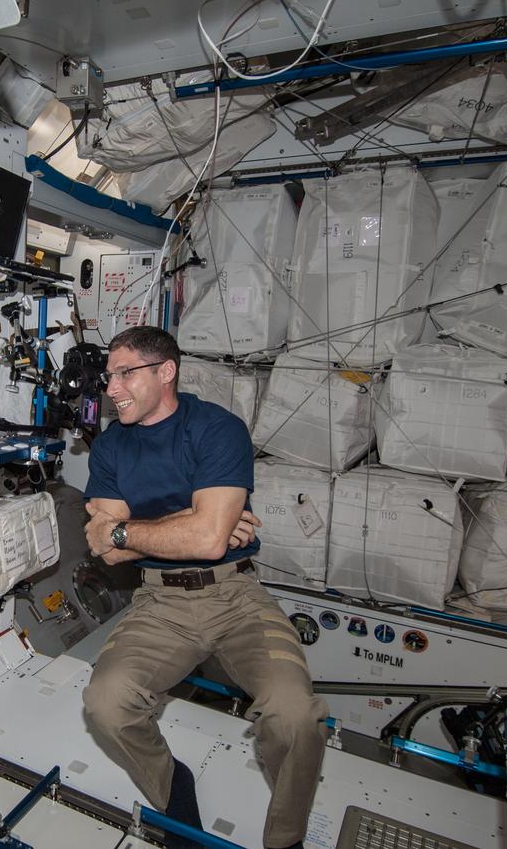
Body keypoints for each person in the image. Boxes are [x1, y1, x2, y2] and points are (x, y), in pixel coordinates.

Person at [81, 326, 327, 849]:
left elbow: (211, 543)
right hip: (159, 601)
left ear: (165, 371)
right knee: (106, 704)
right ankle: (173, 791)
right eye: (109, 376)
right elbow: (104, 544)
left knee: (295, 715)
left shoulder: (217, 429)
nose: (112, 388)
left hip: (236, 598)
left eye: (125, 374)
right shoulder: (110, 447)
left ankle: (287, 839)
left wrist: (154, 530)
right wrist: (194, 520)